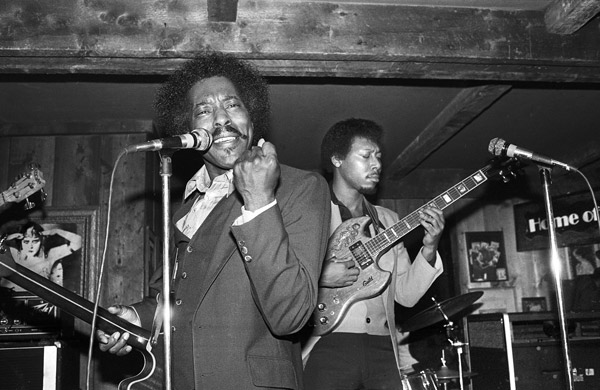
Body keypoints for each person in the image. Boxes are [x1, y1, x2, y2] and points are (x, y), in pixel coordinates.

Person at [96, 51, 331, 390]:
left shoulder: (300, 187)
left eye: (232, 105)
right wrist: (136, 316)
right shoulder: (184, 209)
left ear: (251, 117)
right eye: (204, 110)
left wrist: (260, 201)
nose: (221, 119)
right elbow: (174, 298)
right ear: (189, 130)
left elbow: (291, 315)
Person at [302, 118, 445, 389]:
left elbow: (406, 294)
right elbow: (282, 275)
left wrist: (429, 246)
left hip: (383, 347)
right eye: (366, 156)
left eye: (379, 157)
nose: (377, 164)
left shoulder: (389, 221)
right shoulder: (309, 213)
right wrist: (320, 275)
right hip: (329, 344)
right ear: (337, 159)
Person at [0, 221, 82, 291]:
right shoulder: (13, 253)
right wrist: (12, 236)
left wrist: (56, 231)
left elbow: (78, 242)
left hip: (37, 303)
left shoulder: (49, 256)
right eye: (26, 242)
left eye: (35, 241)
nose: (31, 246)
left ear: (41, 241)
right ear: (20, 241)